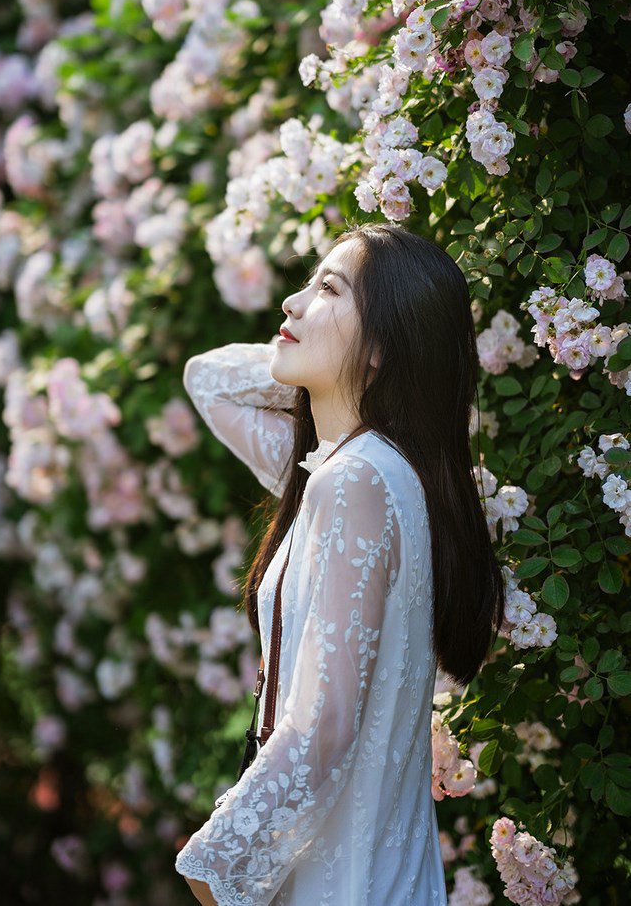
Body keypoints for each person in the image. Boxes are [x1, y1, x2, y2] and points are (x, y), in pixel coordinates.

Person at [175, 221, 505, 906]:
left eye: (326, 288)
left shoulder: (354, 481)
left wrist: (215, 862)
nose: (290, 305)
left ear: (385, 344)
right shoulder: (369, 472)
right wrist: (319, 352)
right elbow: (207, 379)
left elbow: (323, 723)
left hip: (347, 882)